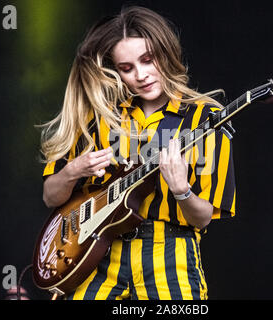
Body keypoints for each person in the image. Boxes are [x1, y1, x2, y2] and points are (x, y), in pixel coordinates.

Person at [39, 5, 236, 300]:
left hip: (170, 255)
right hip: (98, 254)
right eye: (127, 68)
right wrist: (72, 171)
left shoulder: (206, 119)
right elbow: (50, 197)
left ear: (165, 53)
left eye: (148, 60)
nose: (141, 75)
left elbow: (203, 218)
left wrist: (182, 190)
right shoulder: (99, 117)